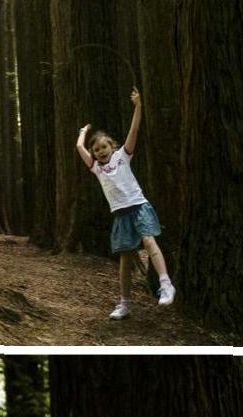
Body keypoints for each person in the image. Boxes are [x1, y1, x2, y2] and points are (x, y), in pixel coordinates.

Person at [75, 88, 176, 320]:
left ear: (113, 146)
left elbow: (135, 130)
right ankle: (124, 303)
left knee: (149, 241)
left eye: (104, 147)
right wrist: (83, 133)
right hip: (121, 215)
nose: (100, 151)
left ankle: (166, 284)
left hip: (138, 206)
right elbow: (80, 148)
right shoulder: (97, 168)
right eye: (96, 149)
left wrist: (138, 106)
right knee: (125, 258)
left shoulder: (123, 156)